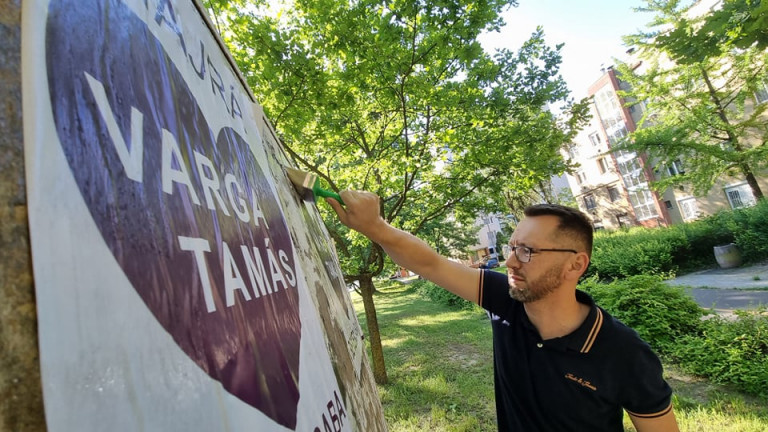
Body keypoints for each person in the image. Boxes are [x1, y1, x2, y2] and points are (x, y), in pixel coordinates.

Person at [326, 190, 679, 432]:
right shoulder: (506, 298)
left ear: (575, 265)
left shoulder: (622, 351)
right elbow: (431, 264)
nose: (510, 261)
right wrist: (376, 228)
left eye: (527, 251)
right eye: (512, 247)